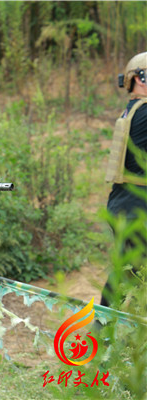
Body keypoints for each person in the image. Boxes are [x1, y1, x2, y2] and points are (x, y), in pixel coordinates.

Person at [101, 52, 147, 308]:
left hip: (126, 205)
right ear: (141, 78)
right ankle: (102, 335)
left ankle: (105, 334)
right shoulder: (145, 113)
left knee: (127, 273)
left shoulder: (134, 111)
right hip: (137, 210)